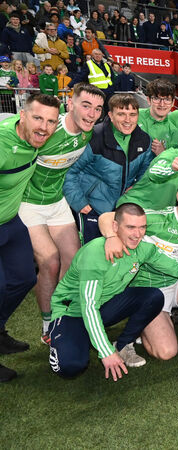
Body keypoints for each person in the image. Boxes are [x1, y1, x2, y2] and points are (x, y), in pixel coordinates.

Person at [47, 203, 178, 379]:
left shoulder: (144, 249)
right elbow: (88, 307)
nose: (137, 234)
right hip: (73, 311)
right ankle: (67, 335)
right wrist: (105, 353)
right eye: (131, 227)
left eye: (142, 227)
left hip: (105, 306)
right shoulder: (96, 253)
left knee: (153, 296)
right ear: (115, 226)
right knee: (71, 366)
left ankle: (122, 344)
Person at [18, 84, 104, 344]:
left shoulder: (86, 134)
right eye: (86, 106)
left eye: (98, 109)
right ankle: (47, 326)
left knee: (74, 259)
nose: (91, 114)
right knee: (50, 262)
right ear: (71, 104)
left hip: (56, 203)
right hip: (28, 203)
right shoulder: (48, 130)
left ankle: (62, 314)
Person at [0, 94, 61, 382]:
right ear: (22, 115)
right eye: (38, 118)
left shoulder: (39, 140)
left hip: (11, 223)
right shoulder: (2, 143)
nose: (44, 127)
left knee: (24, 278)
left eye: (50, 121)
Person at [63, 93, 153, 244]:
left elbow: (145, 173)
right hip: (92, 207)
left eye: (132, 114)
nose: (127, 120)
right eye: (121, 114)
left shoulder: (144, 140)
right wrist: (79, 202)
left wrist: (135, 189)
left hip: (121, 210)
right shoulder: (94, 136)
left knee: (115, 254)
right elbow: (70, 171)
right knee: (91, 252)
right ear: (110, 115)